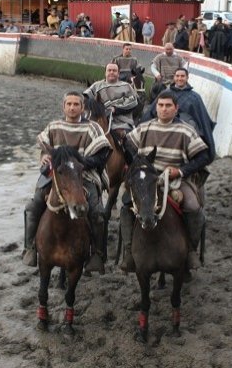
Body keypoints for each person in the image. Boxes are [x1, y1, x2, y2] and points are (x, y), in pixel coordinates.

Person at [120, 91, 212, 272]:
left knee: (193, 207)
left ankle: (191, 251)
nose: (164, 109)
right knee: (125, 206)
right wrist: (137, 164)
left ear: (176, 108)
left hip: (175, 180)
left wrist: (180, 170)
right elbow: (129, 145)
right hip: (146, 180)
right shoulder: (144, 127)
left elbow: (203, 157)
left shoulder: (186, 130)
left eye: (168, 106)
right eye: (160, 105)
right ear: (156, 107)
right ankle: (129, 252)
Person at [22, 92, 112, 272]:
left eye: (76, 104)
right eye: (69, 104)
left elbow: (103, 155)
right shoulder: (54, 126)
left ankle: (97, 254)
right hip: (56, 176)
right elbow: (45, 149)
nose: (72, 108)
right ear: (63, 107)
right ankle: (30, 247)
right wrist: (45, 157)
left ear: (82, 107)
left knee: (97, 213)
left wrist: (80, 164)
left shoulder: (92, 128)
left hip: (83, 176)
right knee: (33, 206)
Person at [142, 67, 216, 162]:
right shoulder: (165, 93)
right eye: (177, 76)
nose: (180, 78)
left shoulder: (195, 97)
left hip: (187, 134)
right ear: (174, 78)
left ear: (187, 78)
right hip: (163, 130)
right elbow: (151, 112)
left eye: (182, 76)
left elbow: (203, 119)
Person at [83, 63, 140, 139]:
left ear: (118, 73)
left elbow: (133, 102)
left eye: (114, 70)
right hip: (100, 121)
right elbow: (85, 99)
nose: (111, 72)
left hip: (122, 123)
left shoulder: (126, 86)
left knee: (129, 143)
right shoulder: (96, 86)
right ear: (105, 72)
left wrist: (115, 109)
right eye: (109, 70)